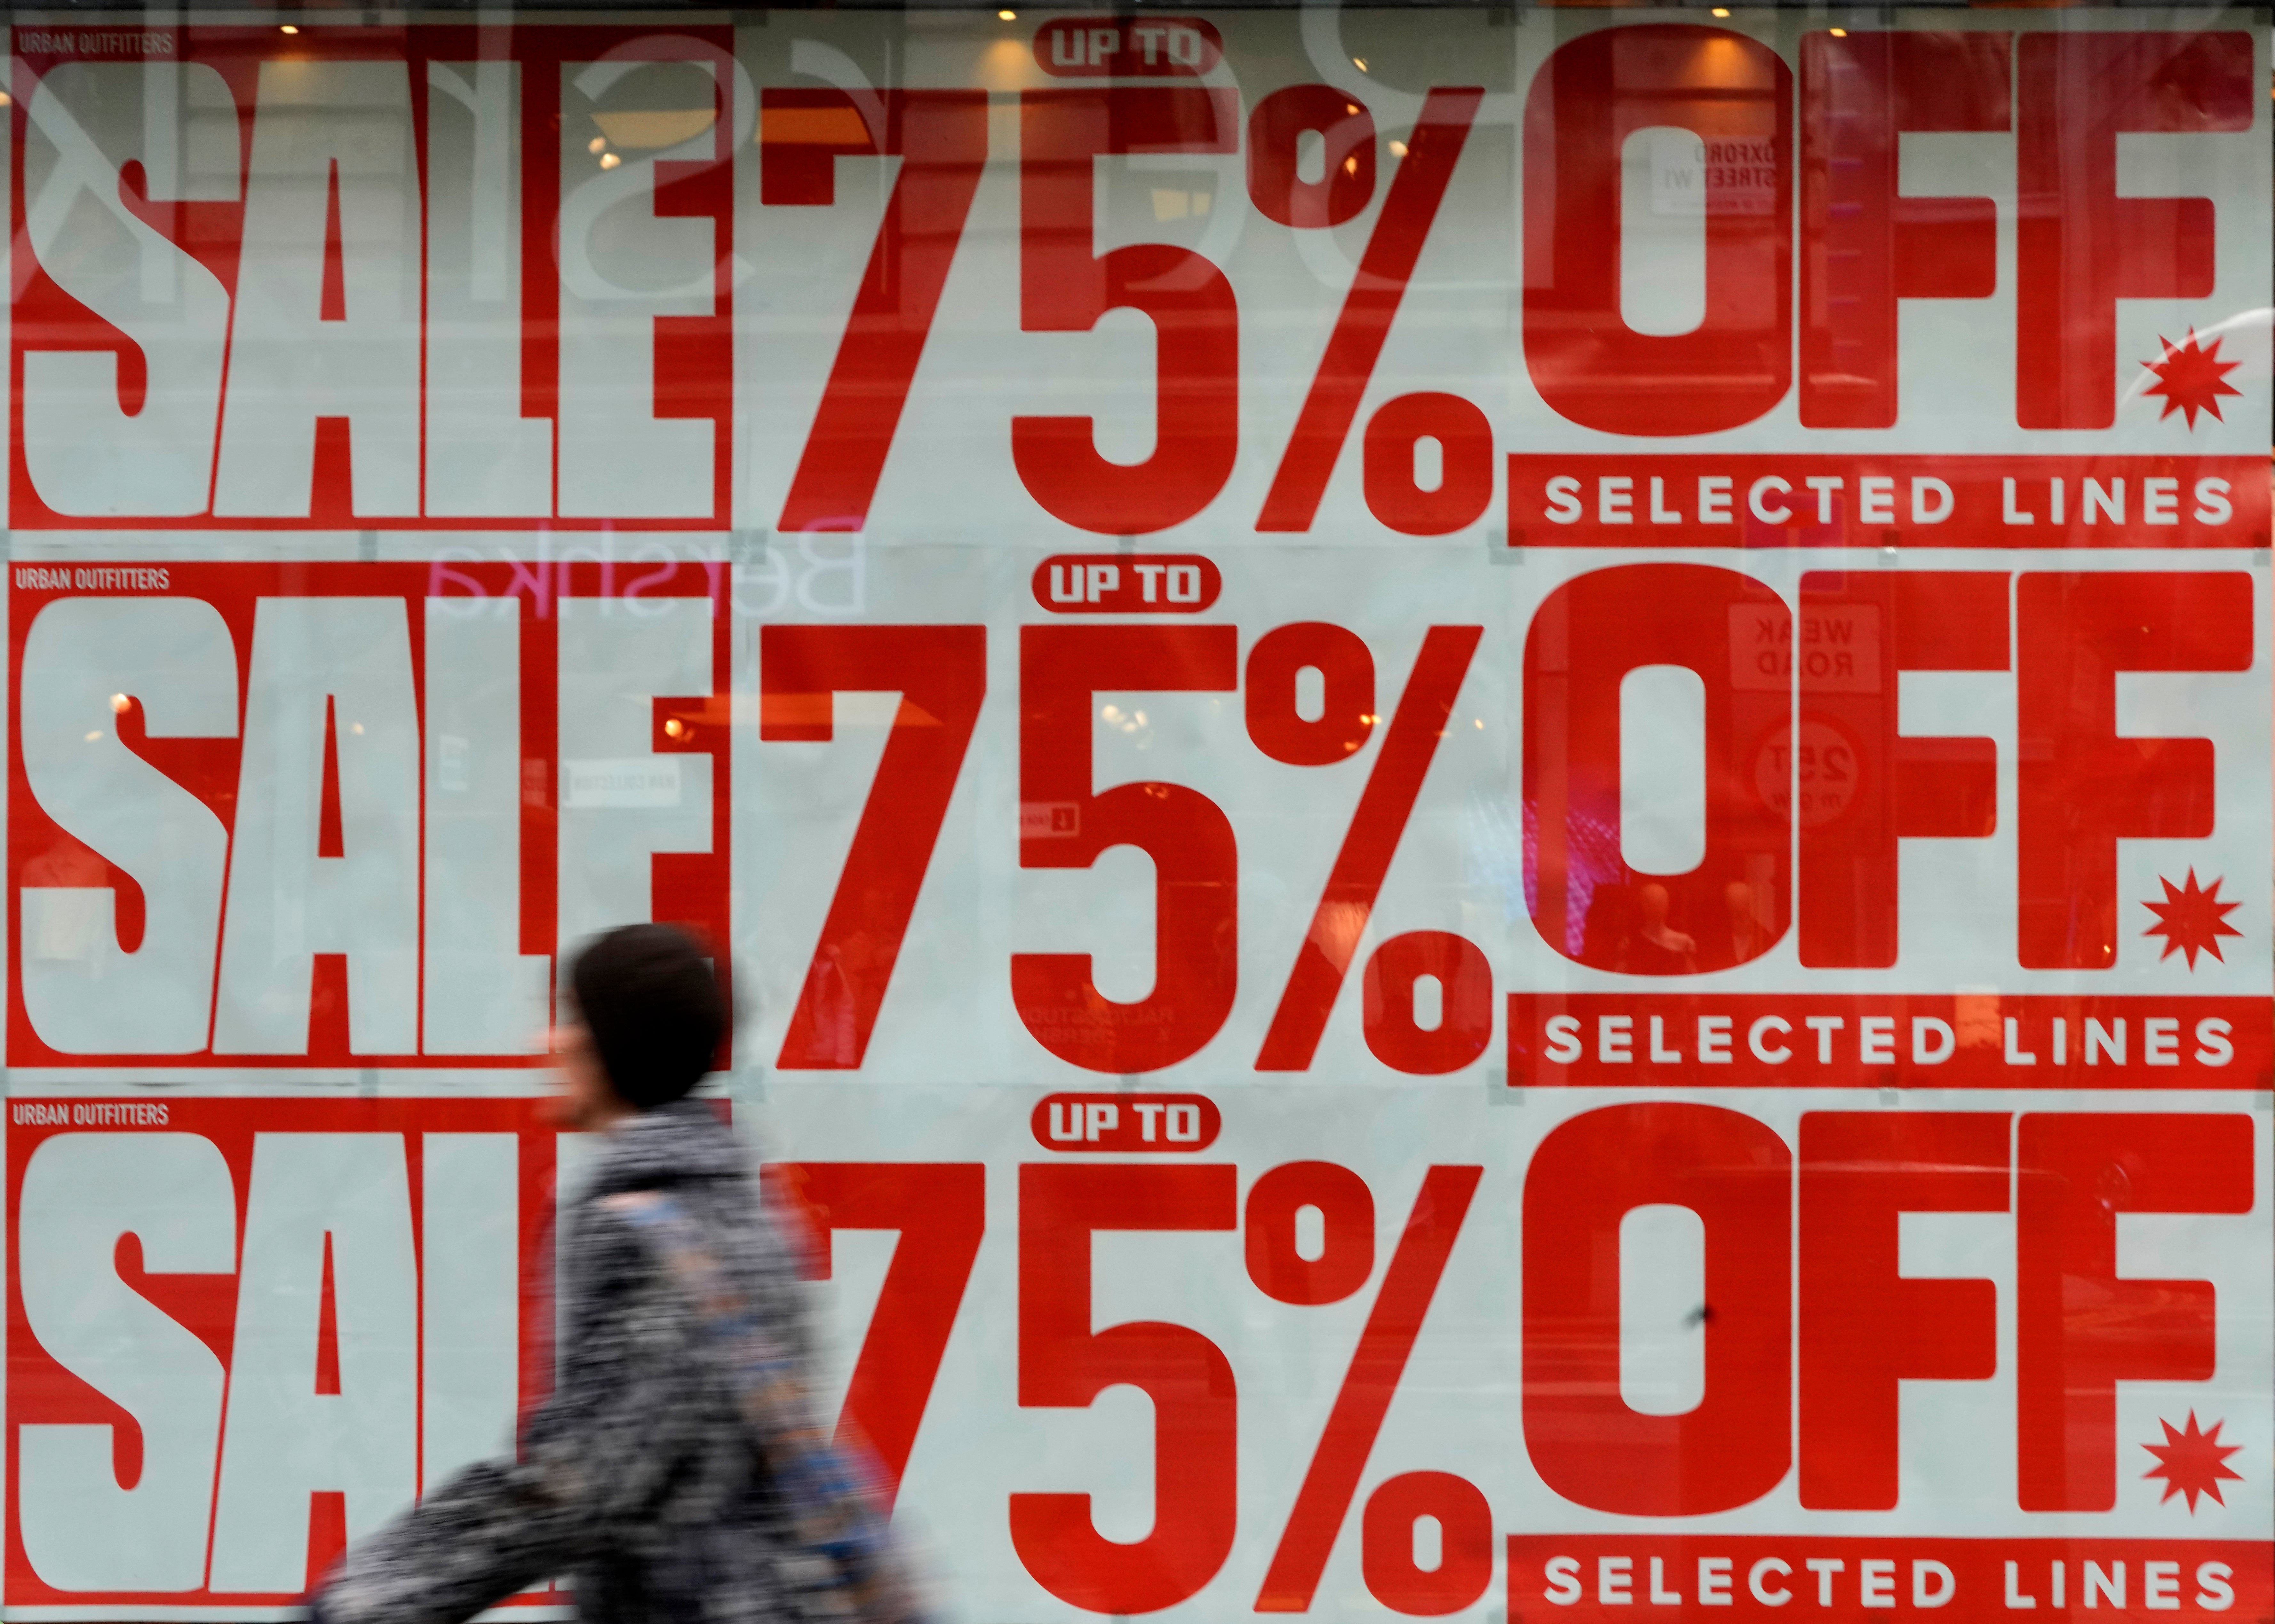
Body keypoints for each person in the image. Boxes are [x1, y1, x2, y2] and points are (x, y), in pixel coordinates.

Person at [311, 923, 914, 1624]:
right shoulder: (740, 1205)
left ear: (615, 1045)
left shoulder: (645, 1225)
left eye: (571, 1017)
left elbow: (578, 1485)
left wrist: (366, 1599)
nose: (549, 1042)